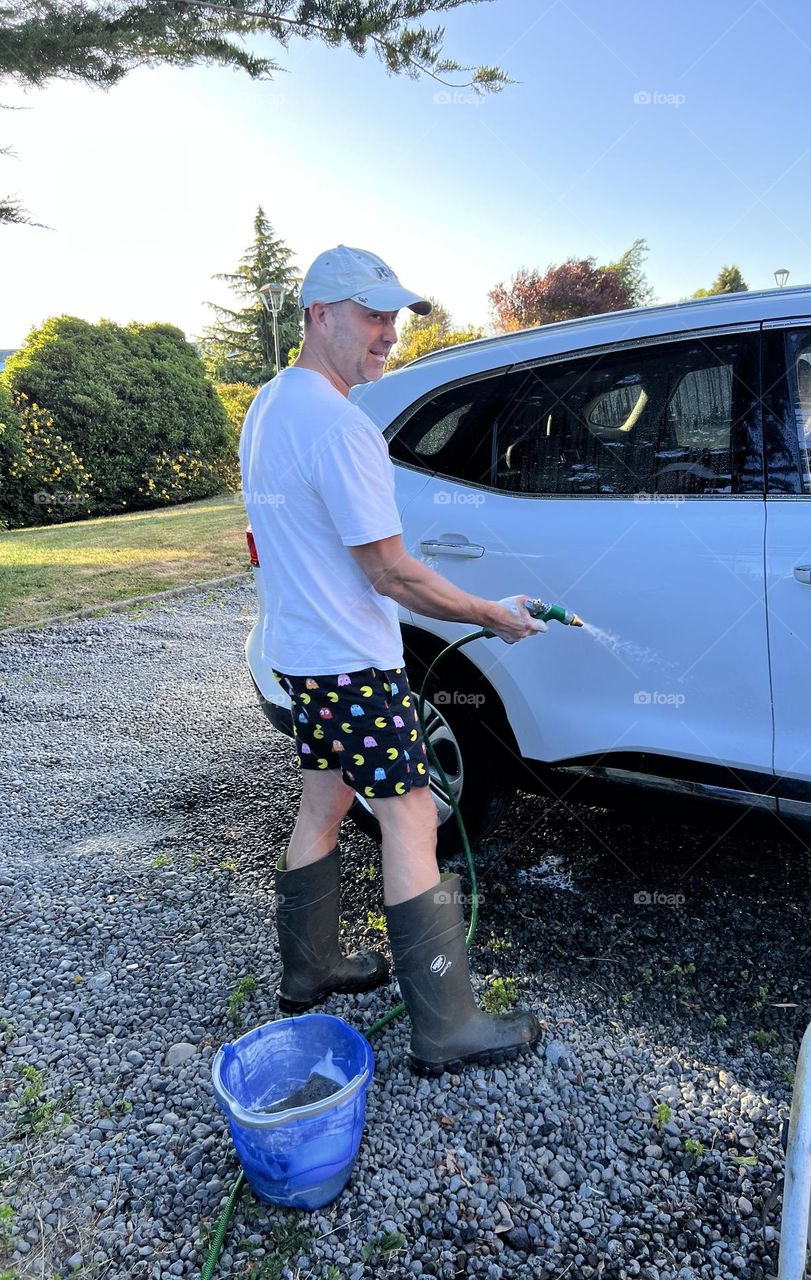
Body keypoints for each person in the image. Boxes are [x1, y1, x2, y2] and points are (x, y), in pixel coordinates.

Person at [238, 244, 545, 1076]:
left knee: (323, 805)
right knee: (411, 817)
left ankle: (309, 969)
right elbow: (391, 571)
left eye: (394, 318)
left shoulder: (268, 406)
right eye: (371, 316)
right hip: (351, 660)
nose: (388, 335)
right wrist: (492, 613)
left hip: (302, 655)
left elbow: (277, 539)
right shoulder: (341, 427)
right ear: (319, 315)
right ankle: (446, 1025)